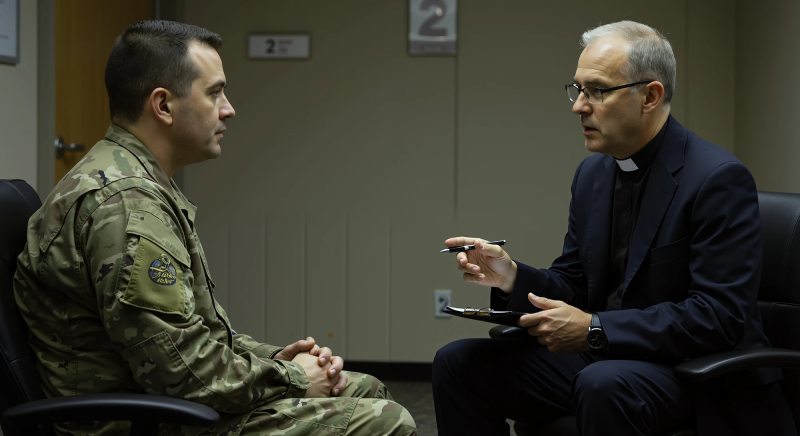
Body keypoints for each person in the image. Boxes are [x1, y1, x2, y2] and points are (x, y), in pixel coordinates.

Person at [13, 20, 416, 436]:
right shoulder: (127, 204)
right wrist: (294, 377)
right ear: (163, 106)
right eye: (215, 92)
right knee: (385, 422)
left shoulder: (134, 181)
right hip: (138, 422)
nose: (229, 108)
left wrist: (277, 360)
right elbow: (181, 372)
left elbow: (192, 338)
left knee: (362, 388)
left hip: (157, 404)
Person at [432, 21, 796, 436]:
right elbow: (574, 283)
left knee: (602, 384)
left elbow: (718, 317)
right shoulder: (592, 174)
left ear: (650, 96)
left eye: (597, 91)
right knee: (458, 363)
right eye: (578, 89)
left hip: (696, 374)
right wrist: (512, 276)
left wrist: (593, 329)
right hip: (608, 358)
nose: (579, 106)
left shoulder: (717, 178)